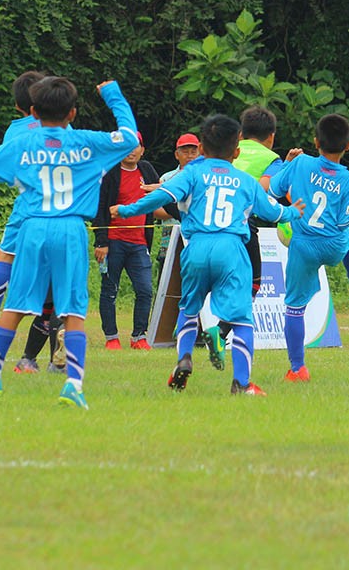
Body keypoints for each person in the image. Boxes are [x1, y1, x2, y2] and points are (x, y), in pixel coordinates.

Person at [0, 76, 139, 409]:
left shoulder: (23, 143)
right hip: (71, 228)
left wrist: (17, 177)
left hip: (32, 228)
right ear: (73, 113)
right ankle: (73, 384)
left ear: (33, 111)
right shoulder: (87, 143)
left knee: (17, 304)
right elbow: (130, 136)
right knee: (73, 308)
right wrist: (113, 95)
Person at [111, 114, 303, 396]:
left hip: (197, 247)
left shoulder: (190, 173)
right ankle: (241, 383)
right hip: (232, 250)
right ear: (236, 152)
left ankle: (184, 359)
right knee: (241, 320)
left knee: (189, 310)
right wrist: (294, 212)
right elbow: (273, 212)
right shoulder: (245, 181)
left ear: (201, 149)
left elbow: (161, 196)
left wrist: (126, 210)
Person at [268, 115, 349, 382]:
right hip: (334, 245)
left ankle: (298, 369)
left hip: (303, 245)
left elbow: (274, 189)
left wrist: (287, 165)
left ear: (316, 142)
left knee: (294, 308)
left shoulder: (301, 163)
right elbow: (345, 220)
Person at [0, 70, 65, 374]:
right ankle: (56, 352)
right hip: (64, 213)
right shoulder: (67, 130)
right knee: (58, 285)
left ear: (22, 106)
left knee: (7, 255)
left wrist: (15, 179)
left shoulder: (17, 131)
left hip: (29, 210)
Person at [204, 106, 301, 368]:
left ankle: (206, 338)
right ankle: (222, 334)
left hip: (208, 228)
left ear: (242, 133)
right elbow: (266, 189)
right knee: (253, 287)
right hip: (243, 230)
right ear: (271, 136)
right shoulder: (270, 157)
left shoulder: (228, 147)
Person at [93, 134, 160, 350]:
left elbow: (161, 194)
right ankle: (111, 337)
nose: (131, 151)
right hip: (113, 242)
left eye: (136, 146)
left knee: (145, 290)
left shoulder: (147, 169)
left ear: (142, 149)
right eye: (127, 146)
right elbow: (100, 207)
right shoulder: (110, 171)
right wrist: (101, 241)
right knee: (110, 289)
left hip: (139, 242)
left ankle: (138, 336)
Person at [154, 133, 199, 274]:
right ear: (176, 154)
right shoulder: (166, 178)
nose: (190, 155)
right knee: (167, 283)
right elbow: (156, 211)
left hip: (196, 237)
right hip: (170, 237)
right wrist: (182, 211)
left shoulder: (206, 177)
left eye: (193, 151)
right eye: (185, 152)